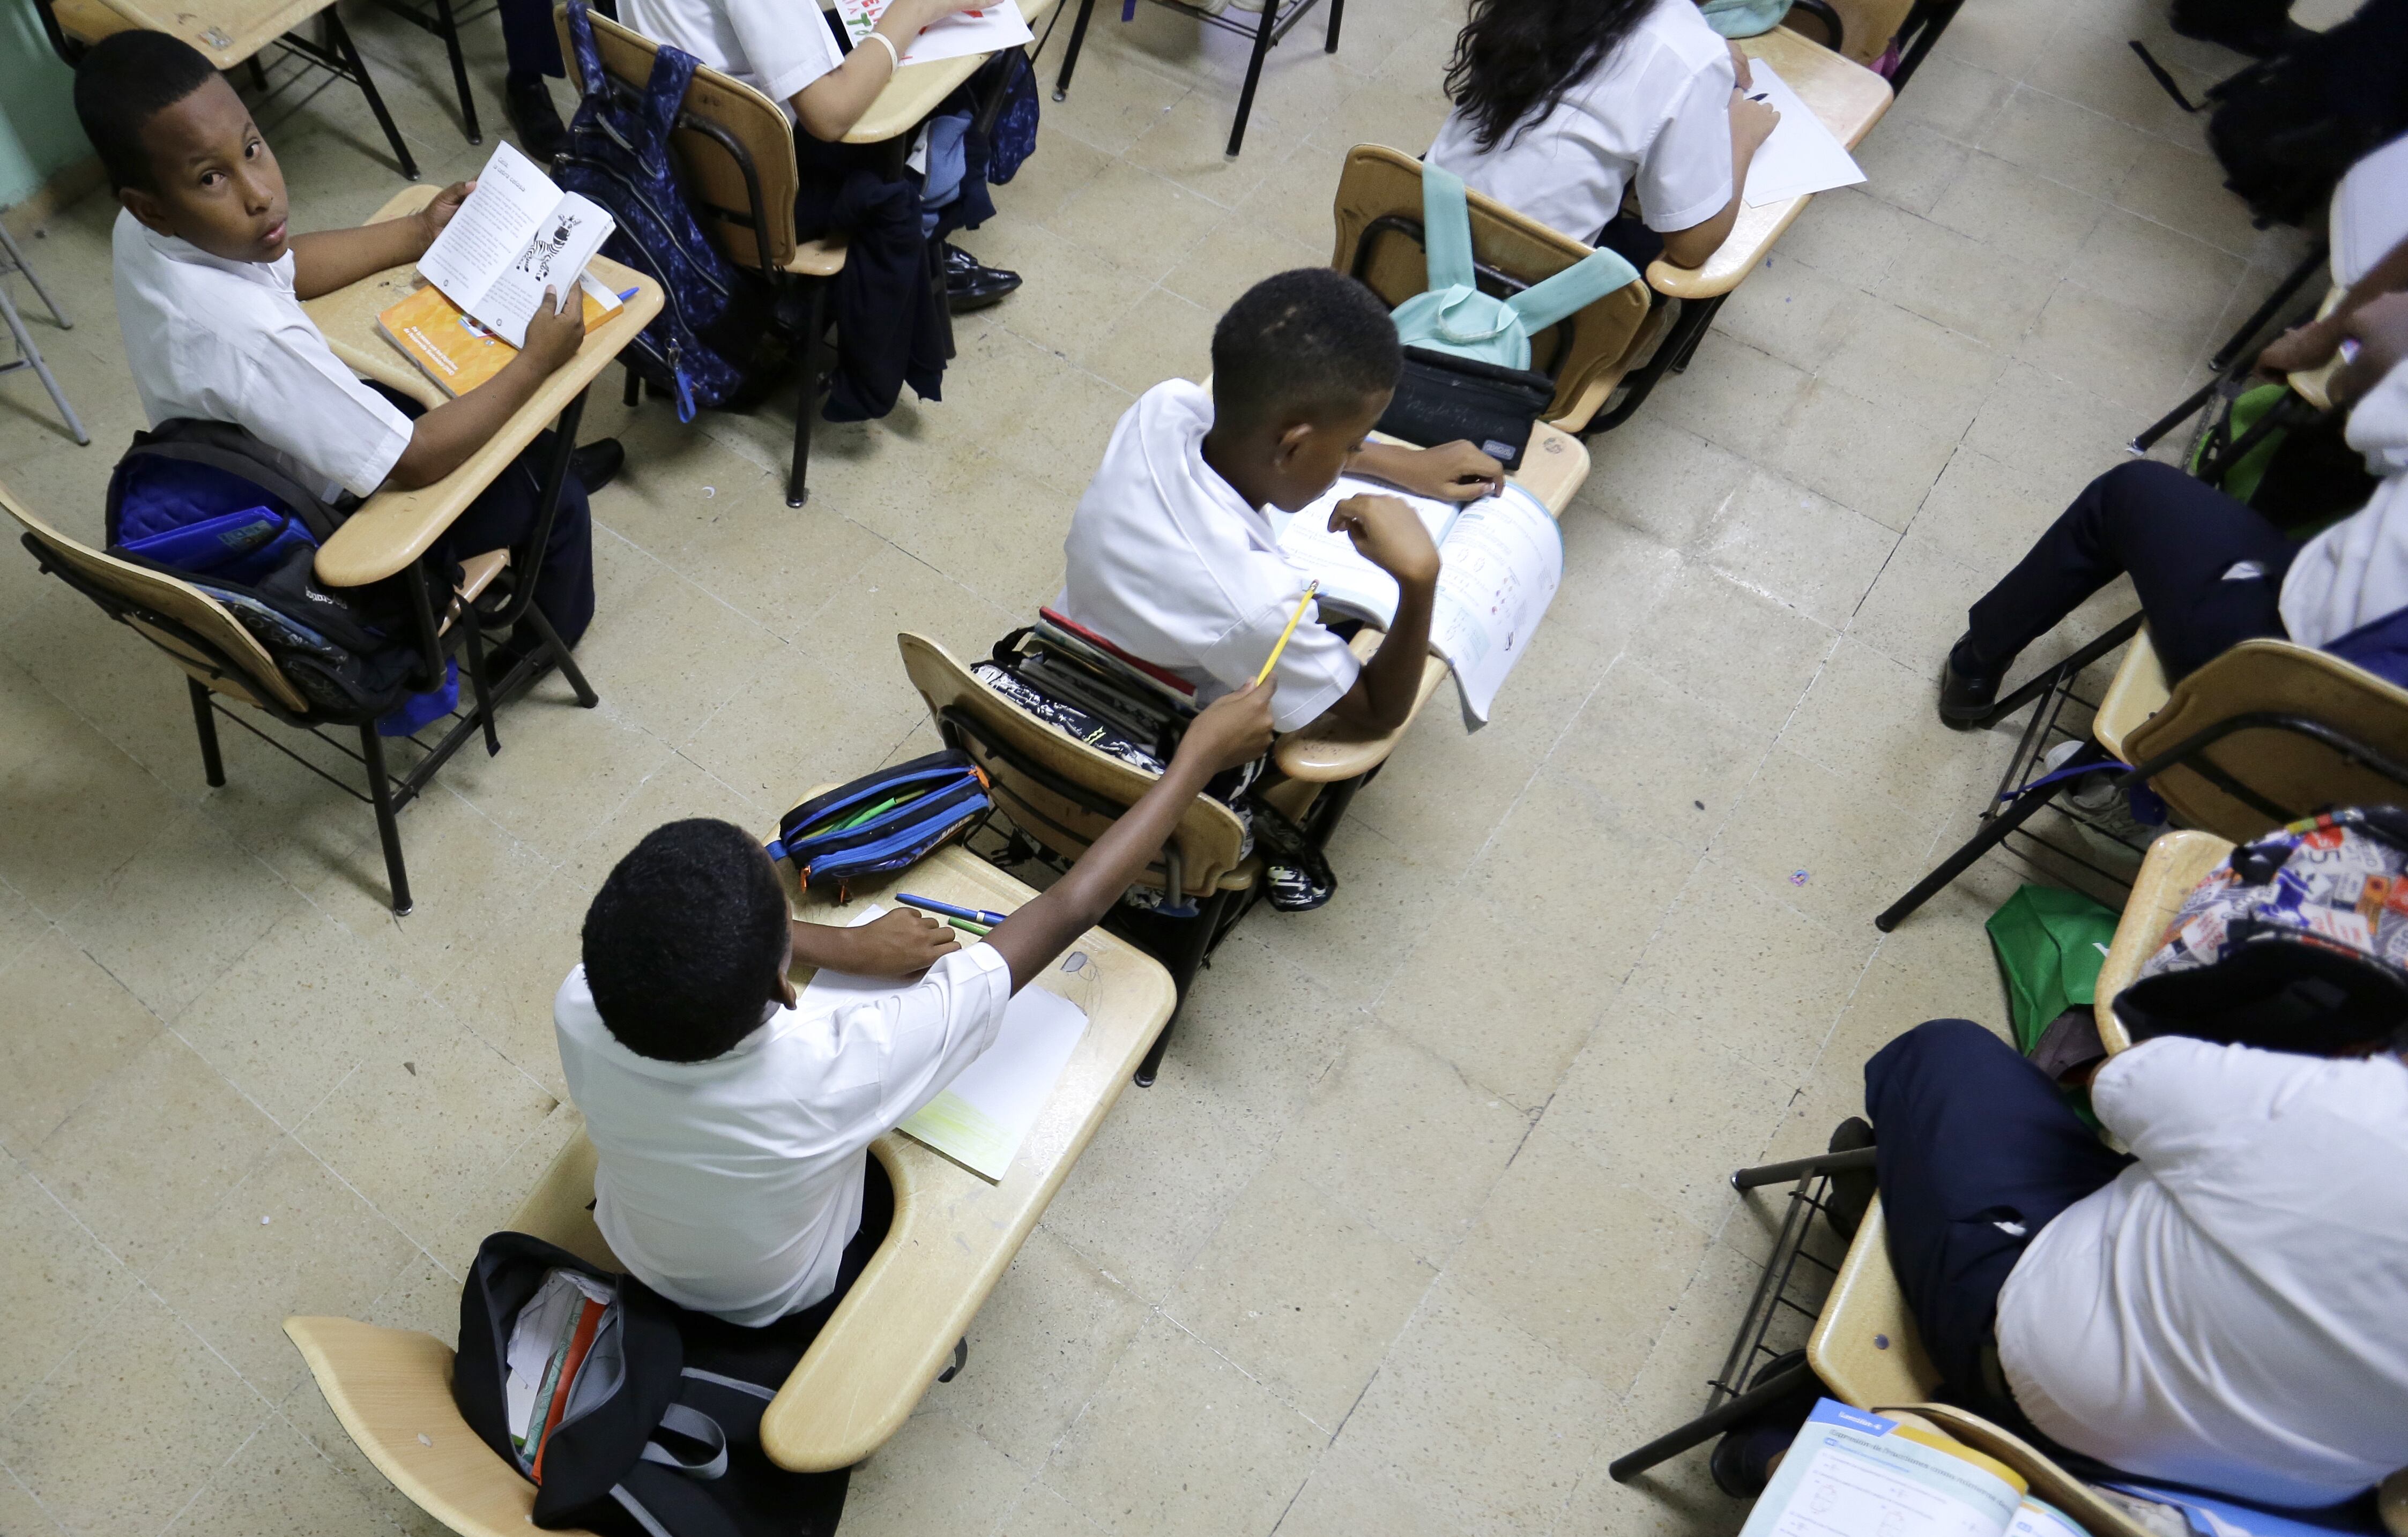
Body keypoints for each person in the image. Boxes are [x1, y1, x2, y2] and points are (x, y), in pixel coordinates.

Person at [555, 681, 1275, 1330]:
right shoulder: (836, 1071)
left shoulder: (583, 998)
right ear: (783, 988)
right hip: (776, 1301)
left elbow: (715, 951)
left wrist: (847, 948)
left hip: (639, 1243)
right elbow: (1069, 908)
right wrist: (1195, 763)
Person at [75, 31, 615, 654]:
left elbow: (287, 267)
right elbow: (414, 459)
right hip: (332, 510)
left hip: (272, 446)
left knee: (464, 400)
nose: (260, 194)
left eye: (252, 148)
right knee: (557, 498)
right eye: (212, 178)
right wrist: (538, 360)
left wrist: (418, 233)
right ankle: (545, 644)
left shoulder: (150, 228)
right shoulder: (249, 335)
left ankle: (533, 466)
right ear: (151, 207)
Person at [1861, 1016, 2408, 1509]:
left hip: (2055, 1390)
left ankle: (1900, 1203)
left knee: (1943, 1052)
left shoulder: (2368, 1107)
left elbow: (2118, 1080)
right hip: (2279, 1502)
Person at [1057, 267, 1504, 744]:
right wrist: (1420, 579)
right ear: (1294, 448)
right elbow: (1379, 711)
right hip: (1150, 722)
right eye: (1353, 444)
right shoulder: (1259, 606)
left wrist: (1401, 463)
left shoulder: (1162, 409)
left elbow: (1252, 430)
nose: (1356, 453)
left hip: (1075, 640)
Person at [1937, 294, 2408, 725]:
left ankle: (1976, 665)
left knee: (2127, 492)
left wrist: (2331, 334)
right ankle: (2106, 772)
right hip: (2351, 755)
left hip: (2273, 674)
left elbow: (2357, 376)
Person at [616, 0, 1022, 415]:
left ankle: (914, 257)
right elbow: (829, 116)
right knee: (968, 86)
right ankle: (906, 255)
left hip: (666, 161)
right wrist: (917, 10)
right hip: (754, 200)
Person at [1425, 0, 1781, 270]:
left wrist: (1698, 48)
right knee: (1674, 255)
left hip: (1413, 232)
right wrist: (1742, 139)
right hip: (1510, 290)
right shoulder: (1692, 54)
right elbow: (1692, 248)